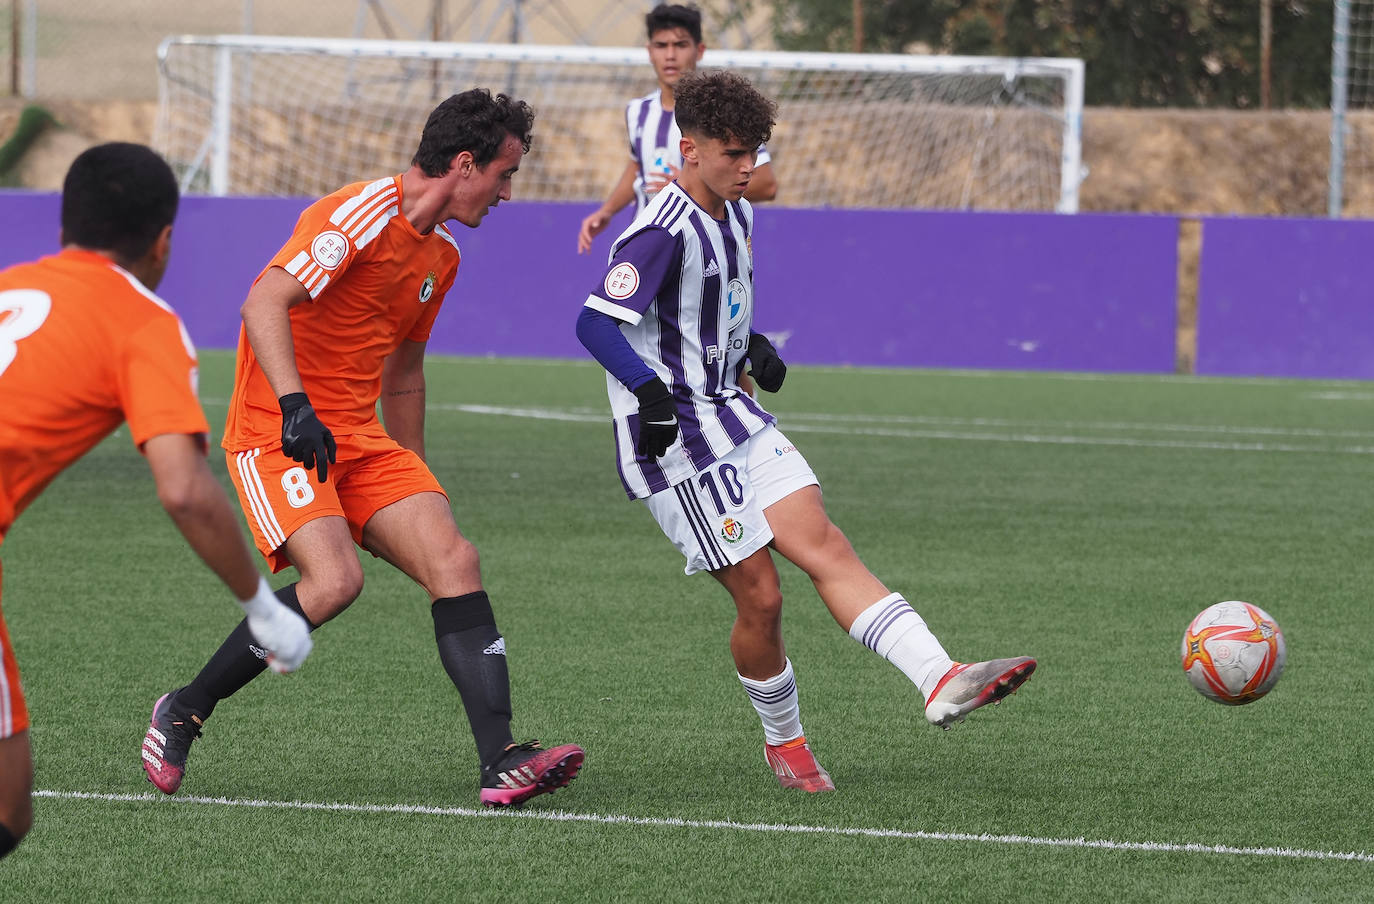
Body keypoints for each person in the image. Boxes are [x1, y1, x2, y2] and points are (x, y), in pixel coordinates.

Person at [575, 71, 1035, 793]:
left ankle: (940, 677)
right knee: (762, 596)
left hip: (734, 412)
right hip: (680, 441)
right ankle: (785, 745)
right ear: (690, 150)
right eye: (734, 153)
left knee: (825, 544)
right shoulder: (658, 230)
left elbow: (703, 306)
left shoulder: (732, 213)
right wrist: (648, 394)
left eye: (755, 151)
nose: (749, 166)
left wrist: (748, 341)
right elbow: (594, 322)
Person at [139, 89, 583, 809]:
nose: (507, 193)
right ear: (464, 164)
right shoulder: (359, 214)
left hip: (362, 441)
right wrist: (294, 407)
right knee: (335, 583)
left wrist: (415, 480)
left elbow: (404, 375)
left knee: (454, 559)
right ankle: (183, 709)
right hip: (276, 433)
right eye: (503, 175)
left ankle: (502, 758)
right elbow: (263, 303)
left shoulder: (443, 256)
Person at [0, 143, 313, 860]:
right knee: (8, 810)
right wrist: (265, 610)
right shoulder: (143, 323)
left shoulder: (10, 285)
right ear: (164, 239)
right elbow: (183, 488)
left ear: (63, 224)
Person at [576, 2, 778, 256]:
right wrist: (607, 211)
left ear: (699, 50)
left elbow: (767, 185)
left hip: (702, 244)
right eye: (661, 46)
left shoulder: (724, 114)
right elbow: (639, 166)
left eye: (680, 45)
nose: (670, 55)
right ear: (650, 51)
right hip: (648, 240)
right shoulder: (637, 111)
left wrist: (690, 187)